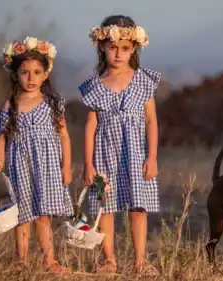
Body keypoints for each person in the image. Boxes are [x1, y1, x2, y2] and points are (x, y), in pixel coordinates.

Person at [79, 15, 160, 277]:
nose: (118, 53)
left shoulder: (143, 80)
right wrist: (88, 164)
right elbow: (90, 126)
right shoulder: (95, 86)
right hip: (105, 154)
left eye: (125, 48)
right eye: (113, 47)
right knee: (107, 207)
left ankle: (140, 261)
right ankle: (109, 260)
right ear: (102, 46)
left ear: (134, 48)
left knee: (138, 207)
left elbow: (151, 121)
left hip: (136, 153)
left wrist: (152, 157)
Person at [0, 37, 74, 273]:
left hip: (47, 166)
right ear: (15, 74)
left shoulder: (53, 104)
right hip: (19, 165)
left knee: (43, 215)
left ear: (46, 74)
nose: (31, 78)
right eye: (25, 72)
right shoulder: (10, 104)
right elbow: (1, 136)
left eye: (37, 72)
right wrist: (0, 160)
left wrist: (66, 167)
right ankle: (21, 262)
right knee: (22, 214)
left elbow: (64, 136)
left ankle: (50, 261)